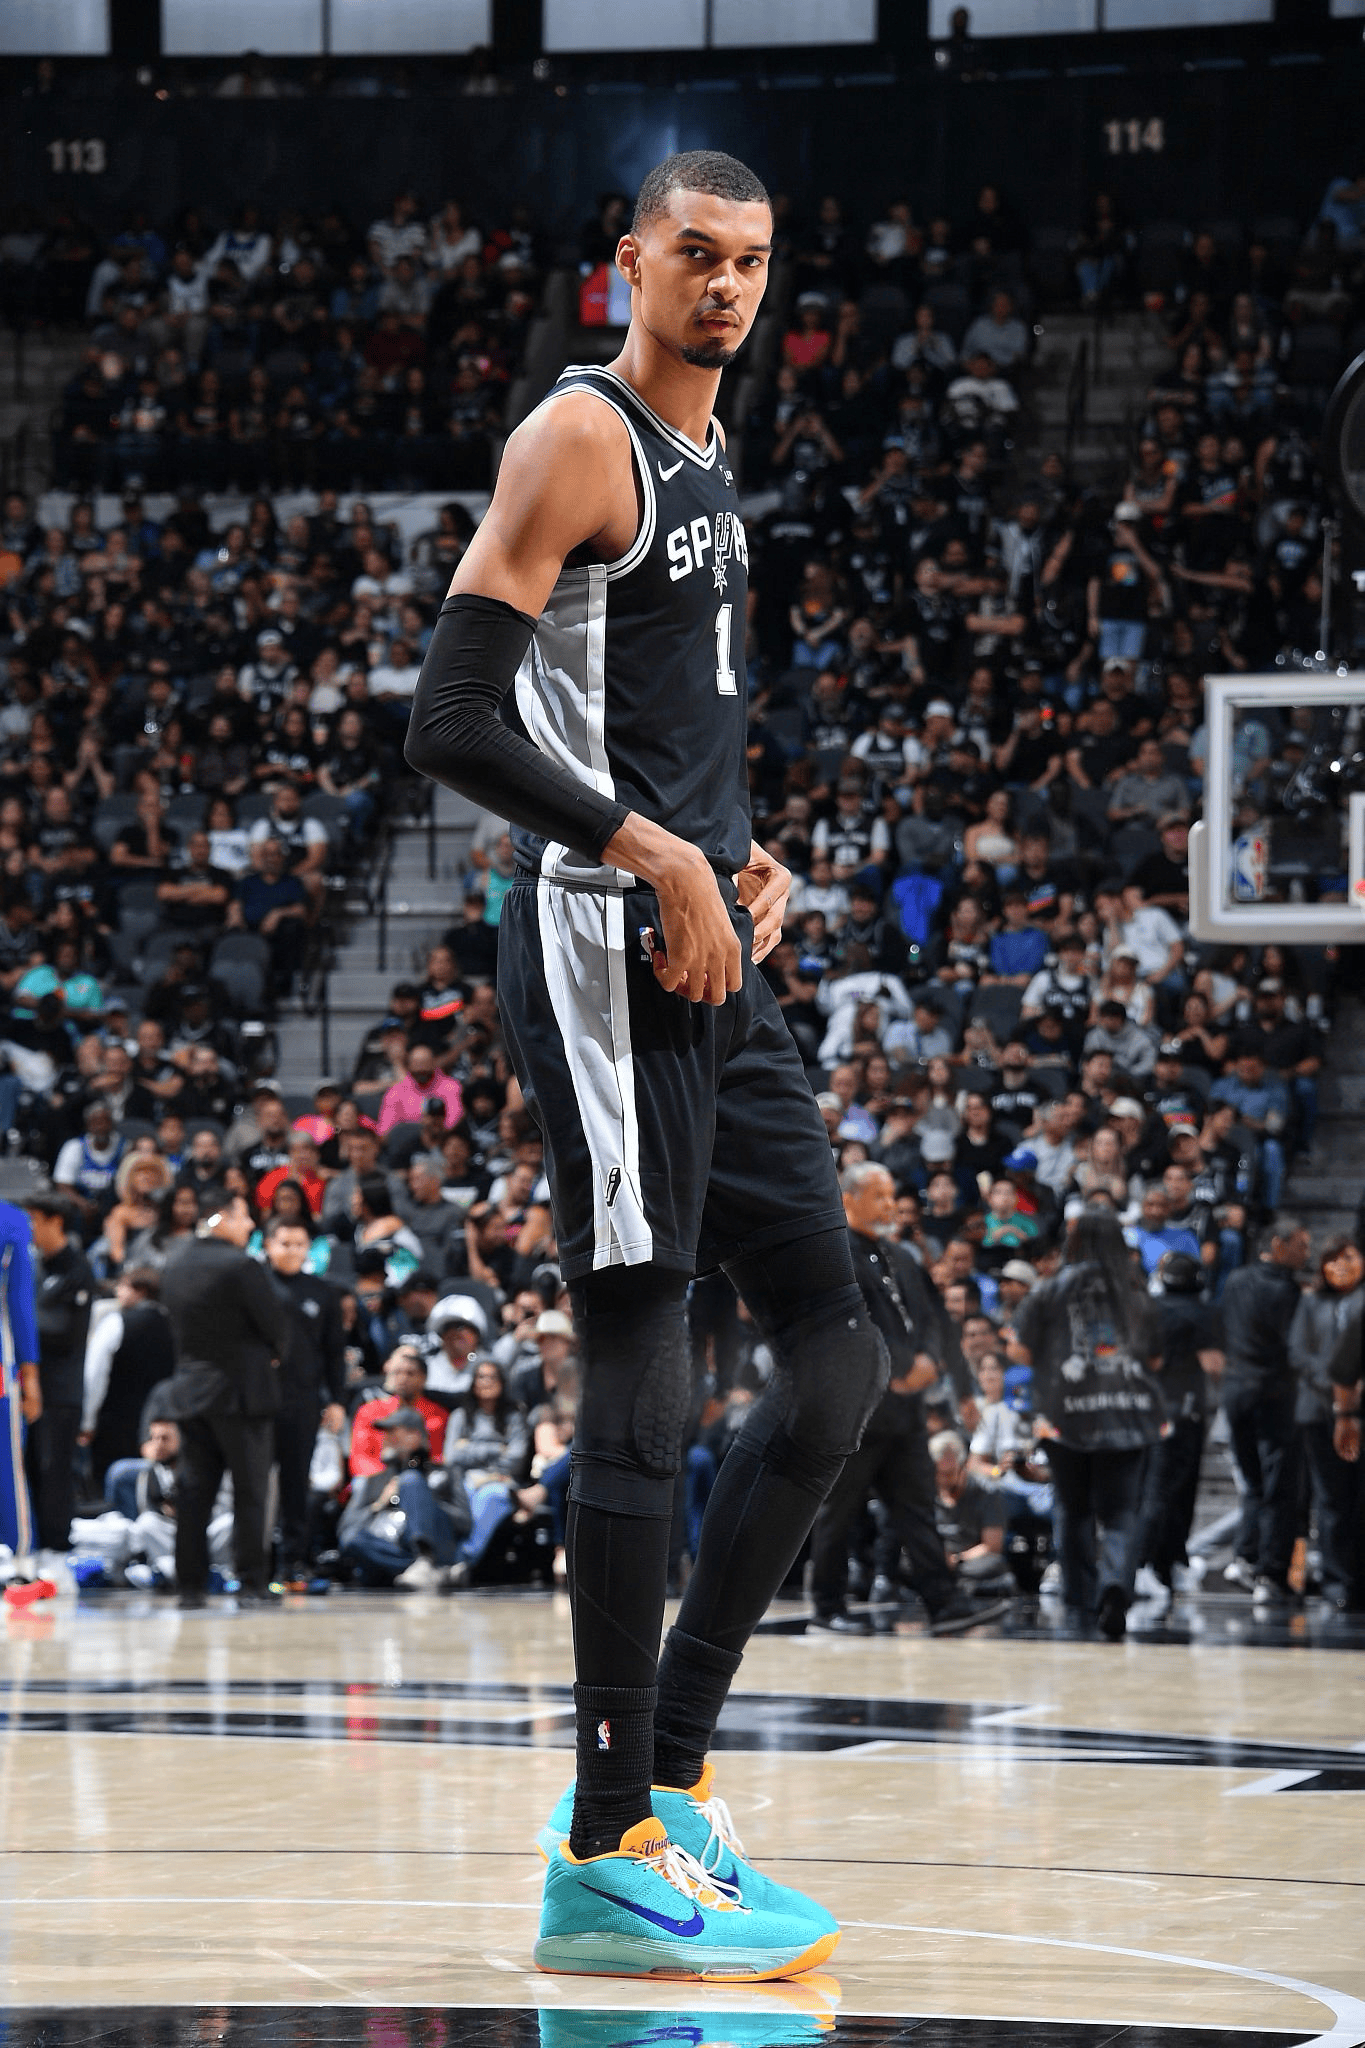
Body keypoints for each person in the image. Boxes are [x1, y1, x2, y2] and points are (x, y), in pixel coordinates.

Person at [404, 149, 883, 1979]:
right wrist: (651, 850)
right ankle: (602, 1841)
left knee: (838, 1353)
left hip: (713, 943)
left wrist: (743, 855)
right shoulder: (579, 437)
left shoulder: (712, 457)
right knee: (641, 1360)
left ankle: (669, 1778)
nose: (727, 283)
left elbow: (670, 721)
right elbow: (449, 717)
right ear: (630, 262)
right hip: (603, 947)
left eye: (751, 259)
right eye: (696, 253)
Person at [807, 1163, 1004, 1636]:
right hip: (858, 1410)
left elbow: (933, 1320)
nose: (890, 1206)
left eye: (892, 1196)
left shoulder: (902, 1256)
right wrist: (900, 1368)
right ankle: (827, 1607)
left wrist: (932, 1364)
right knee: (838, 1512)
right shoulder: (834, 1254)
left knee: (917, 1510)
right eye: (879, 1196)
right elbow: (851, 1324)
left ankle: (944, 1604)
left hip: (906, 1411)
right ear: (848, 1199)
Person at [1007, 1209, 1163, 1639]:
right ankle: (1116, 1585)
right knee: (1120, 1512)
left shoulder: (1050, 1289)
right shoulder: (1136, 1291)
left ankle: (1079, 1596)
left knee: (1072, 1507)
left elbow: (1020, 1351)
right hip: (1126, 1413)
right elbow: (1155, 1360)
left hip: (1065, 1414)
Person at [160, 1192, 291, 1607]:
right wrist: (275, 1351)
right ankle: (251, 1583)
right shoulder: (241, 1265)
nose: (251, 1224)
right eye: (244, 1216)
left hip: (192, 1392)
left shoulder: (175, 1262)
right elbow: (275, 1327)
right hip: (241, 1394)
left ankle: (190, 1585)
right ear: (220, 1217)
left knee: (193, 1493)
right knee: (250, 1492)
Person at [1218, 1216, 1310, 1606]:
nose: (1306, 1253)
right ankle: (1271, 1572)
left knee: (1253, 1483)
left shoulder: (1235, 1280)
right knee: (1280, 1486)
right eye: (1301, 1245)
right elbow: (1295, 1347)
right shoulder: (1287, 1290)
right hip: (1274, 1394)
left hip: (1236, 1390)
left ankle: (1244, 1555)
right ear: (1277, 1244)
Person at [1132, 1251, 1223, 1605]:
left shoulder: (1147, 1309)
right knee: (1170, 1492)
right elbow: (1213, 1364)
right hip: (1184, 1411)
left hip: (1147, 1410)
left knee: (1154, 1490)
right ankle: (1142, 1566)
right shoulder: (1202, 1313)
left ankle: (1170, 1563)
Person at [262, 1217, 347, 1586]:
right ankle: (252, 1562)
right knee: (254, 1485)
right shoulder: (255, 1286)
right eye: (285, 1243)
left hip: (303, 1401)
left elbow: (334, 1353)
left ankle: (292, 1562)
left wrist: (337, 1400)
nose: (292, 1251)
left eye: (299, 1244)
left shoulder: (322, 1292)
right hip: (258, 1402)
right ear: (268, 1245)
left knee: (297, 1484)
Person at [1288, 1237, 1362, 1614]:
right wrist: (1337, 1383)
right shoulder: (1311, 1302)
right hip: (1319, 1412)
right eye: (1331, 1260)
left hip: (1360, 1412)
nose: (1340, 1266)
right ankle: (1337, 1582)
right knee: (1332, 1500)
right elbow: (1298, 1352)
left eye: (1348, 1257)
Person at [24, 1188, 96, 1554]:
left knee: (54, 1471)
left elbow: (63, 1332)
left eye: (34, 1220)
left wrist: (19, 1327)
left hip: (60, 1390)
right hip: (28, 1388)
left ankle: (56, 1548)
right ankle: (29, 1544)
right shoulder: (32, 1264)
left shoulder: (78, 1270)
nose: (29, 1228)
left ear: (56, 1222)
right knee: (29, 1470)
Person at [337, 1404, 470, 1588]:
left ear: (415, 1436)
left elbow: (465, 1522)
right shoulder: (375, 1480)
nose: (386, 1439)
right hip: (388, 1549)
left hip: (437, 1544)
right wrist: (379, 1504)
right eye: (386, 1433)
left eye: (393, 1432)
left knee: (410, 1480)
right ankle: (436, 1573)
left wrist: (424, 1503)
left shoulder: (445, 1473)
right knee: (352, 1538)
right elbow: (345, 1529)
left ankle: (425, 1561)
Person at [78, 1265, 177, 1493]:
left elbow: (94, 1375)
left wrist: (87, 1421)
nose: (117, 1292)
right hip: (158, 1425)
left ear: (141, 1291)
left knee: (112, 1488)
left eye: (124, 1286)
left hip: (115, 1423)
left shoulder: (117, 1322)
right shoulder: (173, 1325)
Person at [0, 1186, 41, 1561]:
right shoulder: (10, 1220)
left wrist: (29, 1377)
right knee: (7, 1463)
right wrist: (31, 1378)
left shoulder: (10, 1221)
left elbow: (20, 1302)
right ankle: (18, 1557)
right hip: (3, 1368)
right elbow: (20, 1303)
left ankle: (17, 1555)